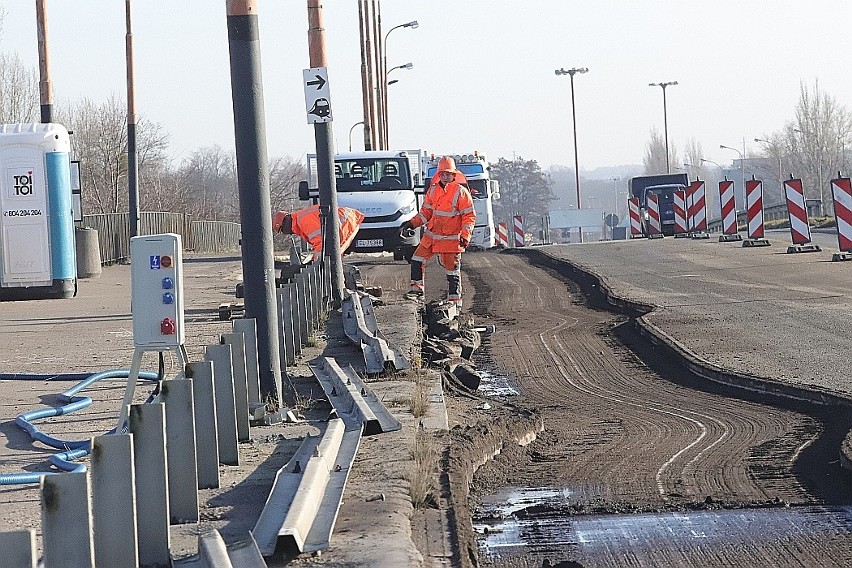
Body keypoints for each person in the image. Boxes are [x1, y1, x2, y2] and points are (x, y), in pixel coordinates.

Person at [401, 156, 476, 307]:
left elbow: (469, 216)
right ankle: (417, 292)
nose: (446, 177)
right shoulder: (433, 191)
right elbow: (425, 213)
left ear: (454, 175)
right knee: (416, 260)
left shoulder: (461, 192)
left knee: (452, 272)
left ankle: (455, 302)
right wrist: (411, 223)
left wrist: (465, 235)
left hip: (451, 240)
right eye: (443, 174)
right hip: (432, 237)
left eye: (449, 174)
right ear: (439, 175)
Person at [272, 205, 365, 260]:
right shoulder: (300, 220)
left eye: (282, 231)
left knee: (328, 259)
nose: (285, 233)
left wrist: (315, 260)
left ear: (285, 223)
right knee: (332, 258)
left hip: (347, 224)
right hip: (348, 222)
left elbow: (321, 243)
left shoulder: (303, 221)